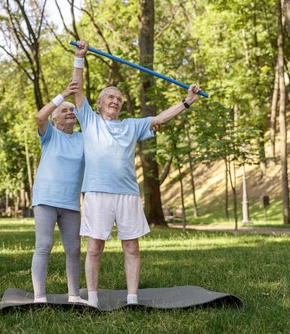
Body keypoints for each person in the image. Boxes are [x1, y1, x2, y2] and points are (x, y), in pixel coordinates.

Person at [72, 40, 202, 307]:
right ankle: (92, 300)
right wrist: (79, 58)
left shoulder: (131, 126)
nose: (116, 101)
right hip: (97, 193)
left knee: (131, 247)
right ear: (98, 103)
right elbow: (77, 88)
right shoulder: (90, 120)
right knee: (95, 247)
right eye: (111, 97)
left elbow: (160, 119)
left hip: (128, 194)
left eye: (119, 99)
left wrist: (187, 101)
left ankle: (133, 299)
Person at [30, 79, 85, 304]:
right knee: (44, 246)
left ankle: (74, 295)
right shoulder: (50, 135)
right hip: (45, 198)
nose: (70, 111)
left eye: (72, 110)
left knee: (73, 249)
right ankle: (39, 296)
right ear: (56, 118)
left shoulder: (83, 138)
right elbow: (39, 117)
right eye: (65, 110)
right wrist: (63, 95)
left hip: (70, 202)